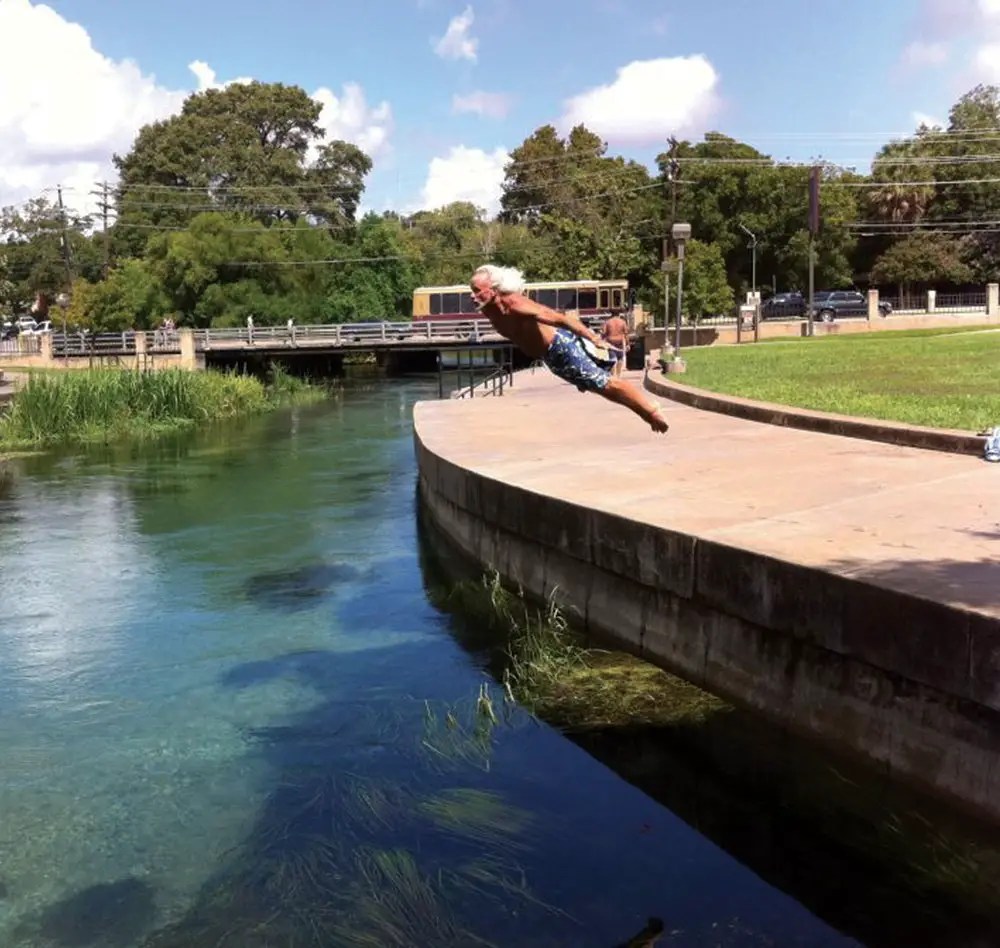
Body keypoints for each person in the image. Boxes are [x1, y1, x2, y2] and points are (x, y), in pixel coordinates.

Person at [469, 265, 668, 433]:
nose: (472, 296)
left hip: (560, 348)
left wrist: (592, 337)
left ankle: (650, 410)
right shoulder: (491, 310)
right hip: (551, 357)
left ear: (493, 289)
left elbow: (560, 318)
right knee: (597, 386)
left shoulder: (513, 304)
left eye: (477, 290)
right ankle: (645, 412)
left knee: (603, 382)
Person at [601, 308, 630, 378]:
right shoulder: (622, 322)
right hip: (619, 343)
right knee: (620, 359)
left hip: (610, 343)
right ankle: (618, 375)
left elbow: (603, 333)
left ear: (611, 314)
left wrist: (601, 341)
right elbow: (626, 334)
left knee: (612, 359)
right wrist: (627, 344)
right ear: (619, 314)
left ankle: (613, 375)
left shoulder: (607, 322)